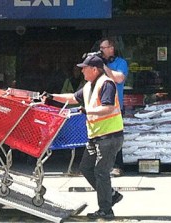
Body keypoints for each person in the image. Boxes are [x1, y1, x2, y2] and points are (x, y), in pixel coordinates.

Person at [44, 55, 124, 220]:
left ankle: (106, 211)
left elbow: (108, 108)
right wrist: (52, 97)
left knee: (101, 172)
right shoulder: (89, 86)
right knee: (86, 168)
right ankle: (111, 196)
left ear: (94, 69)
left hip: (109, 136)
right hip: (96, 136)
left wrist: (88, 110)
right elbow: (73, 98)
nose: (81, 70)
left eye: (84, 68)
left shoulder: (106, 84)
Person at [98, 38, 128, 177]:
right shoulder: (97, 64)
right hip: (100, 106)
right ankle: (101, 165)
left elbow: (119, 78)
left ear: (111, 48)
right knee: (100, 137)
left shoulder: (120, 63)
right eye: (100, 48)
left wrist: (104, 67)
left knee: (115, 137)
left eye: (104, 48)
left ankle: (117, 165)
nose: (102, 50)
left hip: (115, 107)